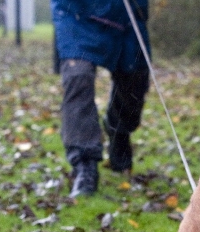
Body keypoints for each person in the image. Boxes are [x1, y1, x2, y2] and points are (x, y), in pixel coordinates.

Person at [50, 0, 151, 198]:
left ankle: (118, 130)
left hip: (126, 11)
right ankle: (84, 165)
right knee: (77, 76)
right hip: (76, 11)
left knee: (134, 79)